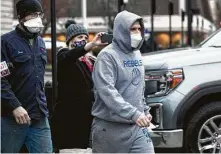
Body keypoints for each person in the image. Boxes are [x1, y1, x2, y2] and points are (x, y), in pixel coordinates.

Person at [91, 10, 155, 153]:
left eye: (139, 29)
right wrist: (134, 113)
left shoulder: (137, 54)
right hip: (109, 130)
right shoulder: (107, 56)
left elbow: (139, 86)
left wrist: (144, 110)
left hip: (136, 128)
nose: (137, 33)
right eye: (133, 29)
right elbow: (107, 92)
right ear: (121, 30)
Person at [1, 0, 52, 153]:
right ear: (21, 17)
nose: (37, 18)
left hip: (39, 115)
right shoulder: (5, 42)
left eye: (39, 14)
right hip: (12, 117)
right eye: (32, 15)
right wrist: (15, 106)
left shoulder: (40, 42)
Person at [50, 20, 107, 150]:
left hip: (85, 116)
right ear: (70, 39)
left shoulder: (87, 61)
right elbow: (70, 56)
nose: (83, 40)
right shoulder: (63, 55)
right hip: (69, 118)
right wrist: (91, 44)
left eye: (86, 38)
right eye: (80, 37)